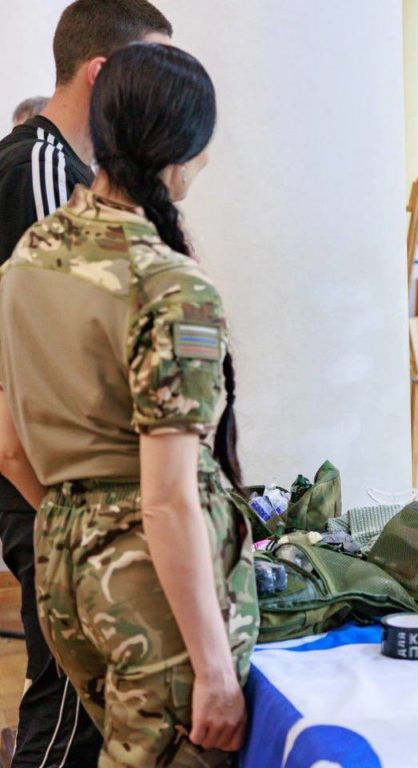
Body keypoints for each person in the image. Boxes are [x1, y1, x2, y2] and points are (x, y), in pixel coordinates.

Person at [0, 43, 258, 766]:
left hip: (63, 567)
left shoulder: (29, 258)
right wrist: (214, 669)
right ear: (184, 150)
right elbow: (168, 498)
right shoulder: (169, 286)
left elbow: (11, 449)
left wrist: (83, 528)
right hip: (151, 589)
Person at [0, 3, 173, 763]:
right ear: (103, 75)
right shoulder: (42, 171)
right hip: (48, 489)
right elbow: (50, 366)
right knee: (69, 707)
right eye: (150, 74)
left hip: (57, 489)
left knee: (71, 699)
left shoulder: (59, 168)